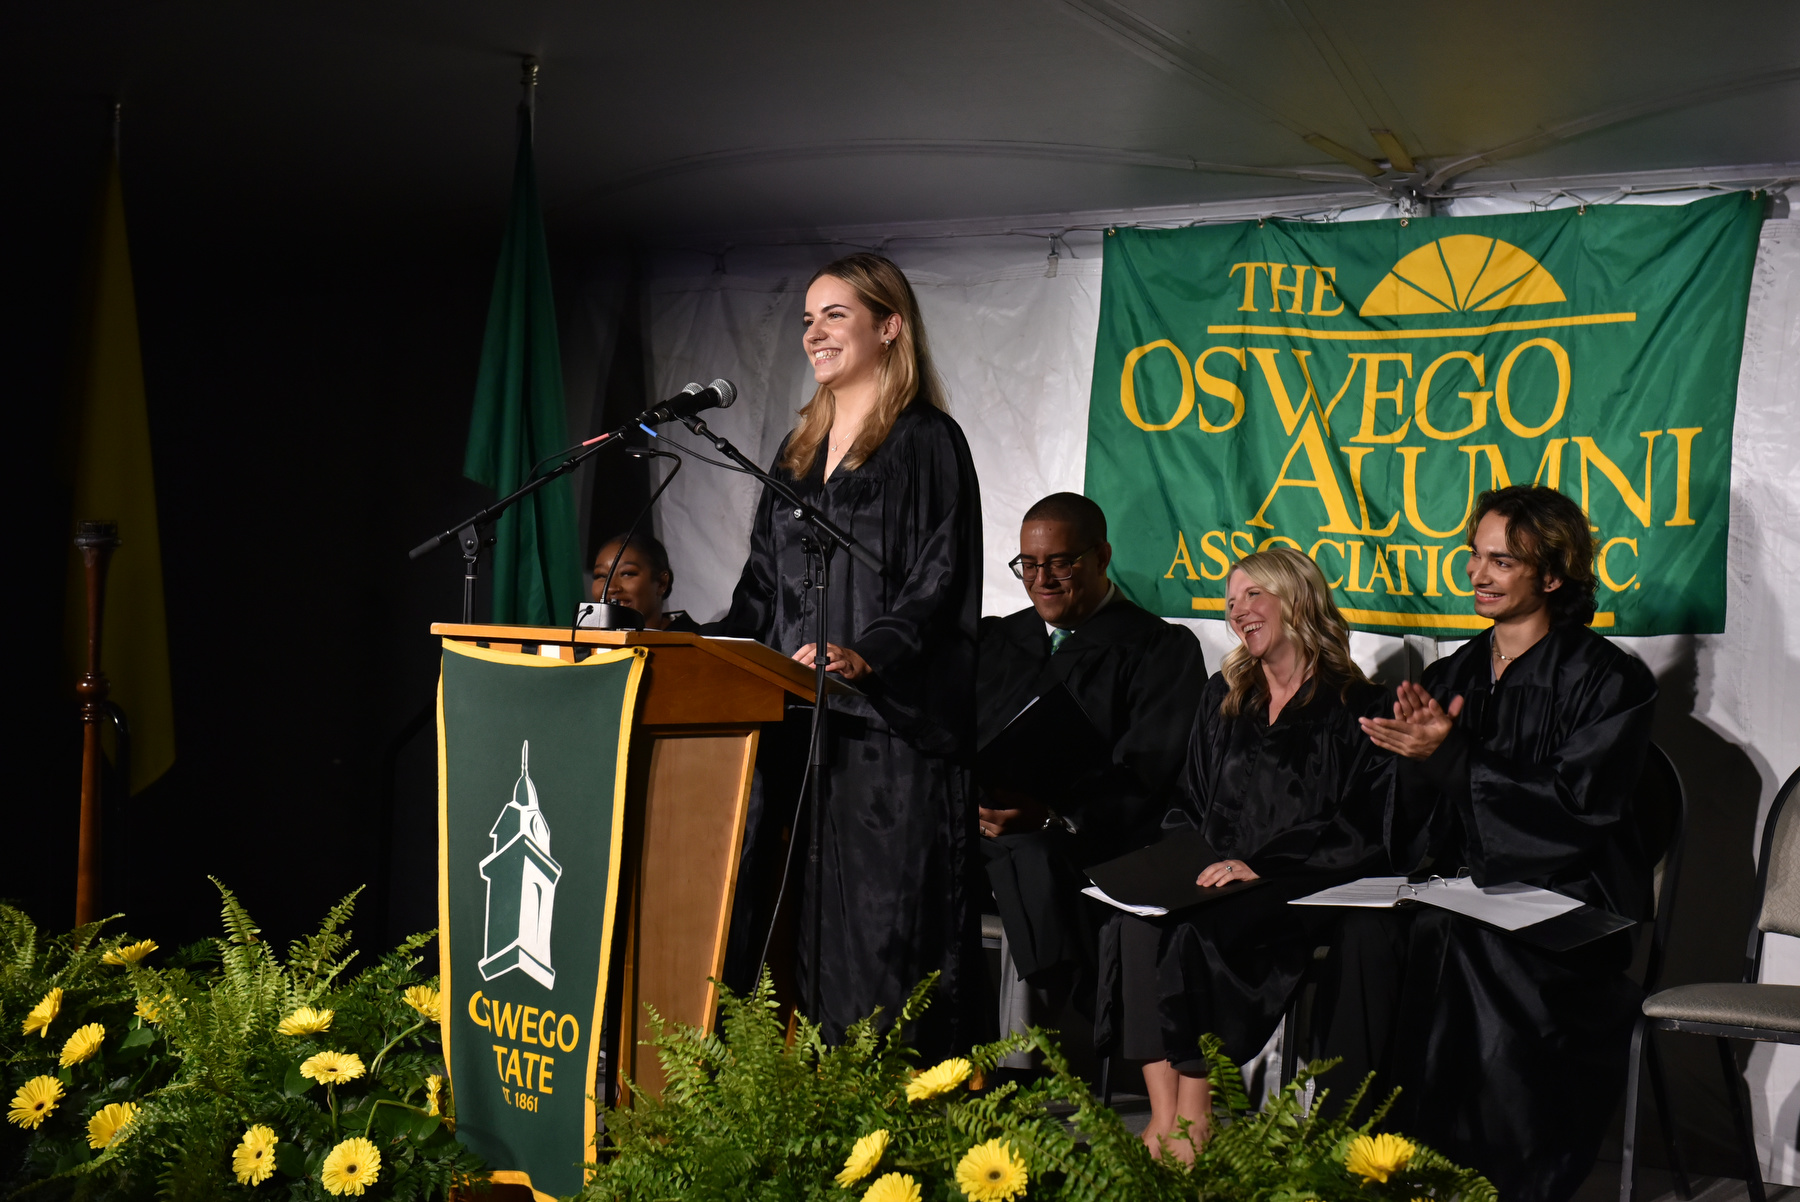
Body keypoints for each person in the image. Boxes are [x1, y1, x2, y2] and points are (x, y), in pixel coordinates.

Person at [712, 253, 984, 1056]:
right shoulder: (796, 451)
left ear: (888, 326)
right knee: (774, 928)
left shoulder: (927, 442)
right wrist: (693, 642)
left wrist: (868, 653)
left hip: (888, 735)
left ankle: (888, 1117)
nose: (814, 332)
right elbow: (762, 586)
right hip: (794, 727)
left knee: (880, 940)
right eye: (807, 318)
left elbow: (940, 580)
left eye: (834, 315)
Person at [1357, 485, 1657, 1202]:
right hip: (1463, 893)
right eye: (1473, 555)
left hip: (1572, 907)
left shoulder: (1607, 681)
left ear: (1551, 575)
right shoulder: (1451, 674)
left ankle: (1499, 1182)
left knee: (1464, 941)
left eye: (1503, 561)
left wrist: (1455, 757)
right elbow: (1412, 823)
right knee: (1367, 939)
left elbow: (1576, 815)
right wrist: (1411, 760)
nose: (1478, 574)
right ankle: (1374, 1168)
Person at [1098, 547, 1394, 1161]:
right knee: (1132, 920)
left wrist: (1262, 866)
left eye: (1253, 595)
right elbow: (1190, 798)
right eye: (1231, 602)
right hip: (1214, 872)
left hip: (1299, 882)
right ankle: (1161, 1118)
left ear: (1296, 598)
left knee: (1201, 929)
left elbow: (1362, 827)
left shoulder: (1356, 707)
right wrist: (1176, 863)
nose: (1239, 612)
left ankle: (1195, 1119)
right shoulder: (1226, 696)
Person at [976, 492, 1206, 1030]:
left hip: (1087, 839)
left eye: (1060, 563)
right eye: (1028, 565)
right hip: (986, 830)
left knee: (1032, 857)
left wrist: (1056, 814)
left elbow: (1151, 771)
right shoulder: (996, 639)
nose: (1042, 579)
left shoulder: (1158, 648)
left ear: (1101, 557)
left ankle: (1063, 1040)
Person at [591, 531, 700, 632]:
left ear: (661, 583)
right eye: (601, 575)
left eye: (627, 573)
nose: (611, 588)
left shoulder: (700, 645)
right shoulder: (583, 646)